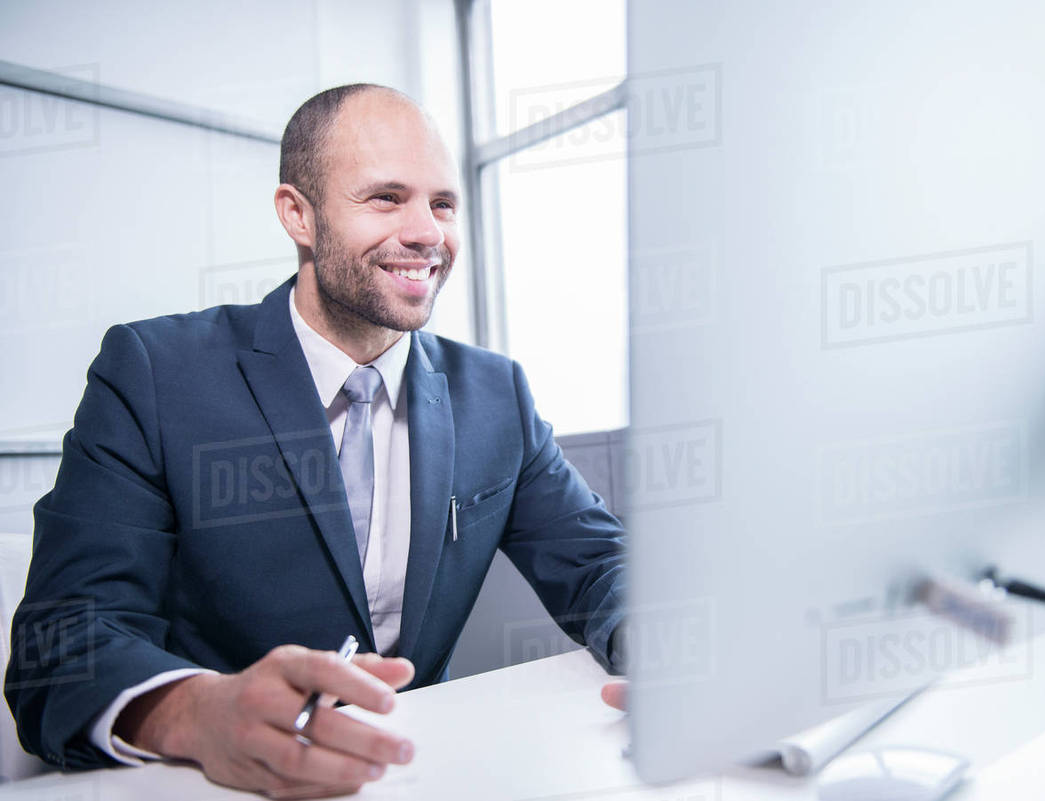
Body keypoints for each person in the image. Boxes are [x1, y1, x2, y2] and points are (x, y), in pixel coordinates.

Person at [5, 84, 627, 799]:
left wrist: (667, 651)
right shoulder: (154, 373)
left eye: (443, 203)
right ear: (298, 214)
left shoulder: (495, 393)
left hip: (425, 772)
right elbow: (61, 643)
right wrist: (196, 711)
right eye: (387, 197)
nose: (428, 232)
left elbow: (600, 563)